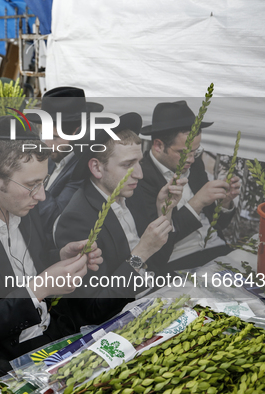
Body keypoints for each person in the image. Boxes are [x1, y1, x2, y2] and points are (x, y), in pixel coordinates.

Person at [0, 116, 128, 360]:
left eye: (44, 181)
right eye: (32, 185)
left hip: (51, 333)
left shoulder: (25, 206)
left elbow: (28, 264)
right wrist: (39, 288)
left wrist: (61, 258)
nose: (41, 196)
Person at [55, 113, 186, 297]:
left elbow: (158, 262)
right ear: (96, 168)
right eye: (128, 165)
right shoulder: (77, 219)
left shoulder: (132, 193)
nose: (139, 174)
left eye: (138, 162)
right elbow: (95, 306)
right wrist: (140, 253)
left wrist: (164, 213)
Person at [134, 100, 241, 271]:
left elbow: (218, 223)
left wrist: (225, 202)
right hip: (179, 261)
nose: (191, 158)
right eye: (183, 153)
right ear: (158, 145)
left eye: (195, 151)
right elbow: (155, 244)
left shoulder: (195, 164)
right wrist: (197, 203)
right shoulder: (140, 178)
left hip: (218, 249)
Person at [30, 87, 104, 239]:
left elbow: (54, 219)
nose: (47, 144)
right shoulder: (55, 154)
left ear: (78, 133)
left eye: (55, 137)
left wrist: (33, 179)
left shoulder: (82, 169)